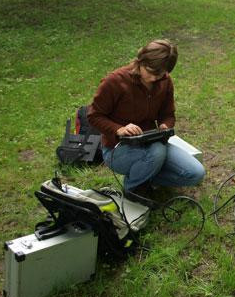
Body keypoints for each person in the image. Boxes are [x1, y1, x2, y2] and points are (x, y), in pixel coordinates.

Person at [88, 39, 205, 199]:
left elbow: (168, 114)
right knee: (157, 151)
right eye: (149, 71)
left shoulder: (164, 82)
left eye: (160, 74)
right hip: (117, 148)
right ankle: (133, 190)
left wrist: (165, 125)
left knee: (196, 173)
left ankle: (143, 176)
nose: (153, 78)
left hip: (152, 142)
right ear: (140, 61)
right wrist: (119, 129)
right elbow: (94, 116)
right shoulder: (115, 81)